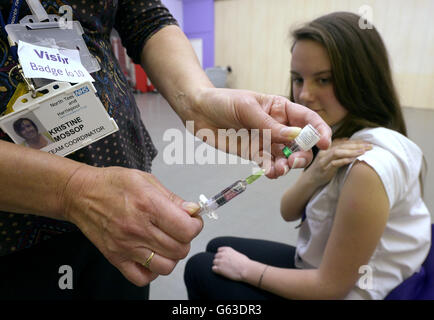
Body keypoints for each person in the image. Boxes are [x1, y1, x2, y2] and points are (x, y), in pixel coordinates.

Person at [0, 1, 331, 300]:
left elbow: (145, 16)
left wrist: (200, 99)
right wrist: (71, 190)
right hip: (14, 234)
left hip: (127, 207)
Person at [184, 11, 432, 300]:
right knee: (217, 245)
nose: (303, 95)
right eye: (297, 79)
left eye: (323, 80)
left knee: (200, 268)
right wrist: (315, 175)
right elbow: (288, 210)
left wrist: (247, 270)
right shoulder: (334, 135)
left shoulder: (368, 167)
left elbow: (331, 287)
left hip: (344, 290)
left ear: (362, 79)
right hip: (321, 264)